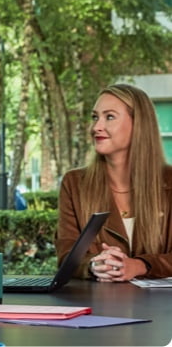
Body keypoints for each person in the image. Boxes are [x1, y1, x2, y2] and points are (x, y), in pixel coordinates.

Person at [56, 83, 172, 282]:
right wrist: (94, 265)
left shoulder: (169, 181)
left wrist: (140, 265)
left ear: (139, 124)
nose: (96, 127)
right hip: (100, 307)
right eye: (95, 117)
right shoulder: (74, 183)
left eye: (109, 117)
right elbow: (66, 256)